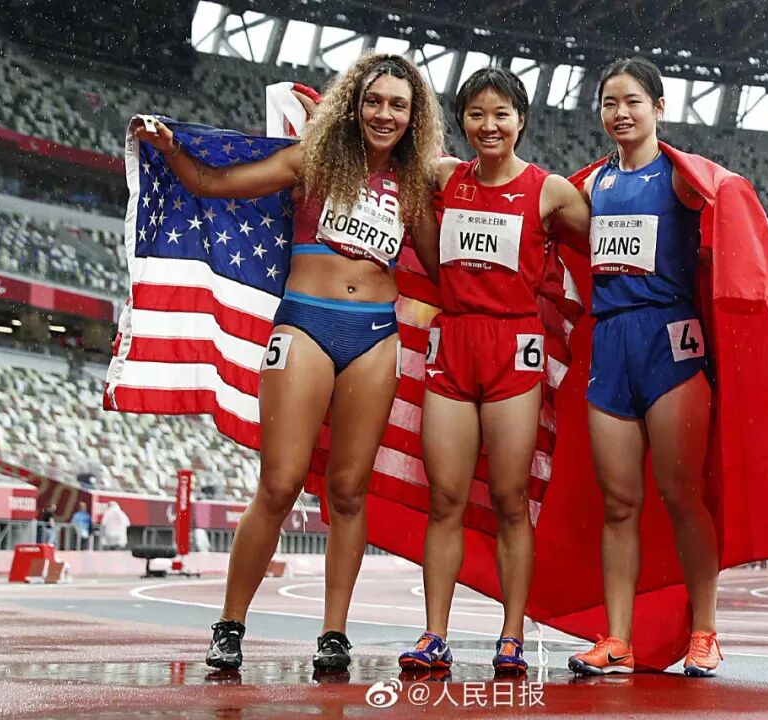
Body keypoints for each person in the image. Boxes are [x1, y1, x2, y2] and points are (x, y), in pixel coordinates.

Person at [133, 53, 444, 672]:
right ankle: (229, 624)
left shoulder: (412, 186)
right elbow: (213, 184)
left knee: (349, 492)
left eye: (398, 105)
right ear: (353, 105)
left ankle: (334, 633)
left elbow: (440, 268)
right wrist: (170, 149)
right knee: (279, 485)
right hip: (305, 324)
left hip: (375, 337)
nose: (384, 114)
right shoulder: (313, 162)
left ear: (414, 118)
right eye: (374, 101)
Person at [398, 68, 589, 676]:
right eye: (476, 114)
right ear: (461, 121)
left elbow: (608, 236)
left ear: (521, 120)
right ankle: (435, 634)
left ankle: (511, 636)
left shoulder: (549, 191)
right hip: (454, 340)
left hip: (514, 347)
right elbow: (392, 155)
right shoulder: (444, 175)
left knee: (510, 499)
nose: (489, 125)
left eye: (501, 113)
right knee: (446, 499)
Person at [566, 57, 722, 678]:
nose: (620, 113)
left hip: (670, 342)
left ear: (659, 107)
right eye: (609, 103)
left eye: (632, 101)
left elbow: (729, 209)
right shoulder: (591, 186)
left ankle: (705, 633)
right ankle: (618, 640)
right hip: (611, 343)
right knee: (619, 503)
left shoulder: (681, 177)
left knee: (682, 495)